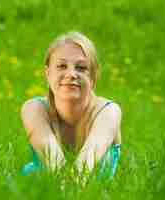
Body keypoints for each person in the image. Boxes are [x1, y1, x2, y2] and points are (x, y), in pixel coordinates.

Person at [20, 31, 122, 180]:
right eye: (62, 66)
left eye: (81, 68)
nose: (71, 74)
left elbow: (83, 171)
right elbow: (55, 166)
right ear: (47, 74)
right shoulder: (34, 109)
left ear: (93, 77)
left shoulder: (108, 112)